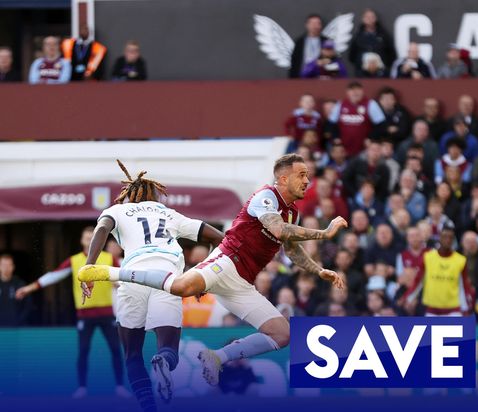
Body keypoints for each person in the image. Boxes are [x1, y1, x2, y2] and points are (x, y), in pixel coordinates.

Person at [79, 154, 347, 387]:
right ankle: (110, 273)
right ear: (283, 179)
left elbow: (289, 246)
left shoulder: (292, 212)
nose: (307, 181)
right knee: (182, 287)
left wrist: (317, 269)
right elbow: (276, 229)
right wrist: (324, 233)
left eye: (308, 176)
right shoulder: (266, 196)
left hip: (241, 281)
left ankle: (217, 357)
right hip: (226, 260)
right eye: (301, 175)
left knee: (282, 334)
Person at [79, 160, 224, 412]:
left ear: (128, 195)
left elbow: (101, 230)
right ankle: (162, 362)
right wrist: (202, 276)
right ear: (156, 195)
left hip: (131, 277)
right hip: (167, 279)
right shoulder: (170, 214)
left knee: (132, 354)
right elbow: (218, 238)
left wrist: (89, 268)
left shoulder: (117, 211)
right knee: (168, 350)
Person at [16, 226, 128, 398]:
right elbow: (54, 275)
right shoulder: (75, 260)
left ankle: (120, 386)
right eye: (86, 237)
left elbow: (124, 277)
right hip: (85, 315)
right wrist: (29, 288)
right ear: (81, 241)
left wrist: (122, 285)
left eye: (93, 237)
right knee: (83, 351)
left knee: (115, 349)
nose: (90, 240)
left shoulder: (109, 258)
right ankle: (82, 387)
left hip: (107, 314)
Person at [401, 224, 474, 316]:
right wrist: (408, 298)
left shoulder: (460, 260)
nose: (447, 240)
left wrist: (466, 307)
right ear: (439, 238)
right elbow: (418, 281)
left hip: (453, 310)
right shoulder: (428, 257)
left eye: (450, 237)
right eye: (445, 237)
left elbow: (464, 286)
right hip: (432, 310)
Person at [328, 81, 386, 157]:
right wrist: (336, 137)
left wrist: (371, 138)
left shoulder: (371, 104)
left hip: (364, 148)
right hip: (343, 148)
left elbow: (381, 124)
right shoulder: (340, 104)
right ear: (347, 92)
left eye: (358, 90)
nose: (355, 93)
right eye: (352, 90)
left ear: (362, 91)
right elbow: (331, 123)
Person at [348, 8, 395, 77]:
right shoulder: (358, 36)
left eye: (372, 17)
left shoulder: (384, 35)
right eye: (367, 17)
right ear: (363, 19)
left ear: (376, 18)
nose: (369, 19)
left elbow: (391, 53)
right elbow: (352, 56)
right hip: (362, 74)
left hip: (381, 74)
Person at [289, 14, 327, 78]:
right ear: (307, 25)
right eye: (312, 23)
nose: (315, 26)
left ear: (321, 26)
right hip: (302, 78)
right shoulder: (299, 42)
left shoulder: (326, 41)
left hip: (321, 78)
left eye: (318, 23)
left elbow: (332, 60)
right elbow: (294, 62)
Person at [1, 254, 32, 326]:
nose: (6, 268)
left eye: (9, 265)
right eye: (3, 265)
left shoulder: (20, 284)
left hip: (16, 327)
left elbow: (28, 305)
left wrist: (19, 321)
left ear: (13, 267)